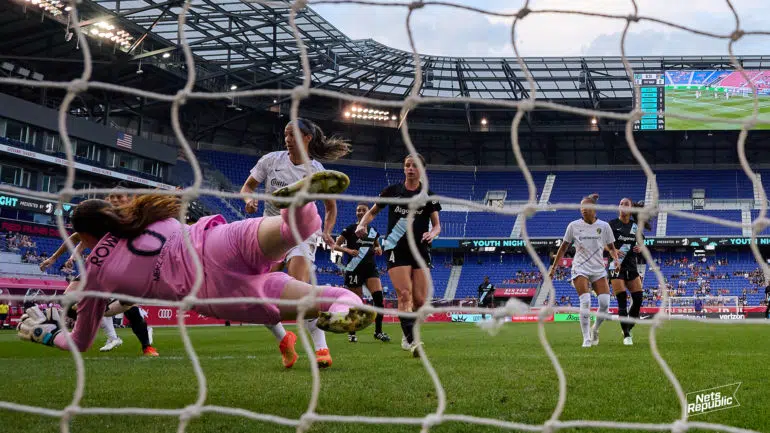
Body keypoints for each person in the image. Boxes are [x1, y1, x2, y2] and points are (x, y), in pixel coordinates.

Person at [17, 172, 375, 353]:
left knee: (305, 298)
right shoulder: (144, 216)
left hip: (212, 290)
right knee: (291, 229)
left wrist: (45, 333)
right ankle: (302, 208)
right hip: (217, 241)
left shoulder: (95, 270)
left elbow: (80, 342)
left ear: (85, 237)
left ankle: (340, 306)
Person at [240, 118, 350, 369]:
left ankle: (322, 348)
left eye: (292, 134)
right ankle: (285, 342)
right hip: (270, 232)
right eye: (285, 134)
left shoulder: (317, 171)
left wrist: (326, 231)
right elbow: (247, 187)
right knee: (260, 296)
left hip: (302, 233)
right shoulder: (270, 161)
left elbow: (330, 208)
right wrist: (249, 199)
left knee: (299, 289)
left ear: (307, 138)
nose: (287, 139)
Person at [40, 187, 159, 356]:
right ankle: (98, 327)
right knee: (68, 299)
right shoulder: (101, 217)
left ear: (128, 199)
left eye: (119, 197)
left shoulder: (132, 219)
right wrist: (54, 258)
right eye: (111, 197)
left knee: (129, 309)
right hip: (97, 265)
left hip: (123, 268)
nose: (115, 200)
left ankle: (146, 345)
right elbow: (76, 237)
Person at [355, 154, 441, 357]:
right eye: (407, 165)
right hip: (395, 247)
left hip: (419, 249)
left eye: (414, 165)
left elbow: (437, 225)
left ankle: (407, 330)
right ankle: (412, 341)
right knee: (404, 294)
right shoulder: (392, 191)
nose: (410, 168)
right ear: (404, 169)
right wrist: (362, 224)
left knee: (420, 301)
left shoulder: (428, 195)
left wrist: (433, 233)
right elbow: (373, 211)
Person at [549, 194, 620, 348]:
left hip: (598, 269)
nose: (583, 210)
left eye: (586, 207)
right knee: (586, 301)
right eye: (581, 208)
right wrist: (554, 267)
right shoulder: (573, 226)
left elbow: (612, 247)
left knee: (604, 304)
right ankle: (586, 338)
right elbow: (563, 247)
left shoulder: (604, 226)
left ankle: (595, 329)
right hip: (580, 267)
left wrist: (616, 259)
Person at [333, 203, 390, 343]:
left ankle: (378, 332)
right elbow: (335, 245)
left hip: (370, 268)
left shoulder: (373, 231)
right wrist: (348, 251)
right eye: (358, 210)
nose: (360, 212)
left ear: (367, 212)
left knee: (378, 299)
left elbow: (378, 245)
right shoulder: (350, 229)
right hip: (354, 268)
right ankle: (352, 332)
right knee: (356, 302)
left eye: (363, 210)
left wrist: (379, 249)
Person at [608, 198, 649, 346]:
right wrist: (613, 250)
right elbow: (602, 244)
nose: (623, 206)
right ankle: (626, 335)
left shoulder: (634, 227)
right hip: (615, 265)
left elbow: (642, 242)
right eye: (621, 203)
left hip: (631, 266)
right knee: (622, 300)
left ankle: (628, 326)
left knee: (638, 299)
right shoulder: (611, 225)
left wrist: (641, 247)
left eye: (626, 204)